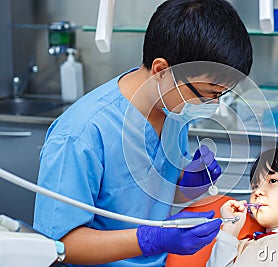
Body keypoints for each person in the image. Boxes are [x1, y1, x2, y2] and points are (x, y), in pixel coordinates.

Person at [33, 0, 252, 266]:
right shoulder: (81, 134)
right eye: (207, 95)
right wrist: (151, 239)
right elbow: (59, 245)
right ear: (162, 70)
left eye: (219, 96)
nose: (212, 107)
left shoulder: (173, 110)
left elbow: (147, 202)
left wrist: (186, 186)